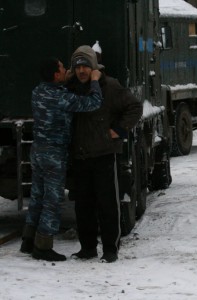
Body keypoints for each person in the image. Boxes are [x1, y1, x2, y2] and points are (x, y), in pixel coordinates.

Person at [20, 57, 103, 261]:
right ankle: (43, 245)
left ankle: (28, 240)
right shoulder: (61, 97)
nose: (67, 70)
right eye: (63, 69)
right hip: (53, 154)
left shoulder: (38, 91)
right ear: (56, 75)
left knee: (38, 196)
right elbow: (94, 102)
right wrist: (94, 80)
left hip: (37, 150)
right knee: (53, 199)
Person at [66, 45, 143, 263]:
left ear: (94, 67)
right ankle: (88, 247)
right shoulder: (70, 88)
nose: (81, 71)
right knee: (83, 206)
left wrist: (118, 130)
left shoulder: (109, 86)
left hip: (104, 154)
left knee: (107, 204)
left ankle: (110, 248)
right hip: (80, 156)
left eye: (85, 66)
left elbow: (134, 107)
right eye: (77, 66)